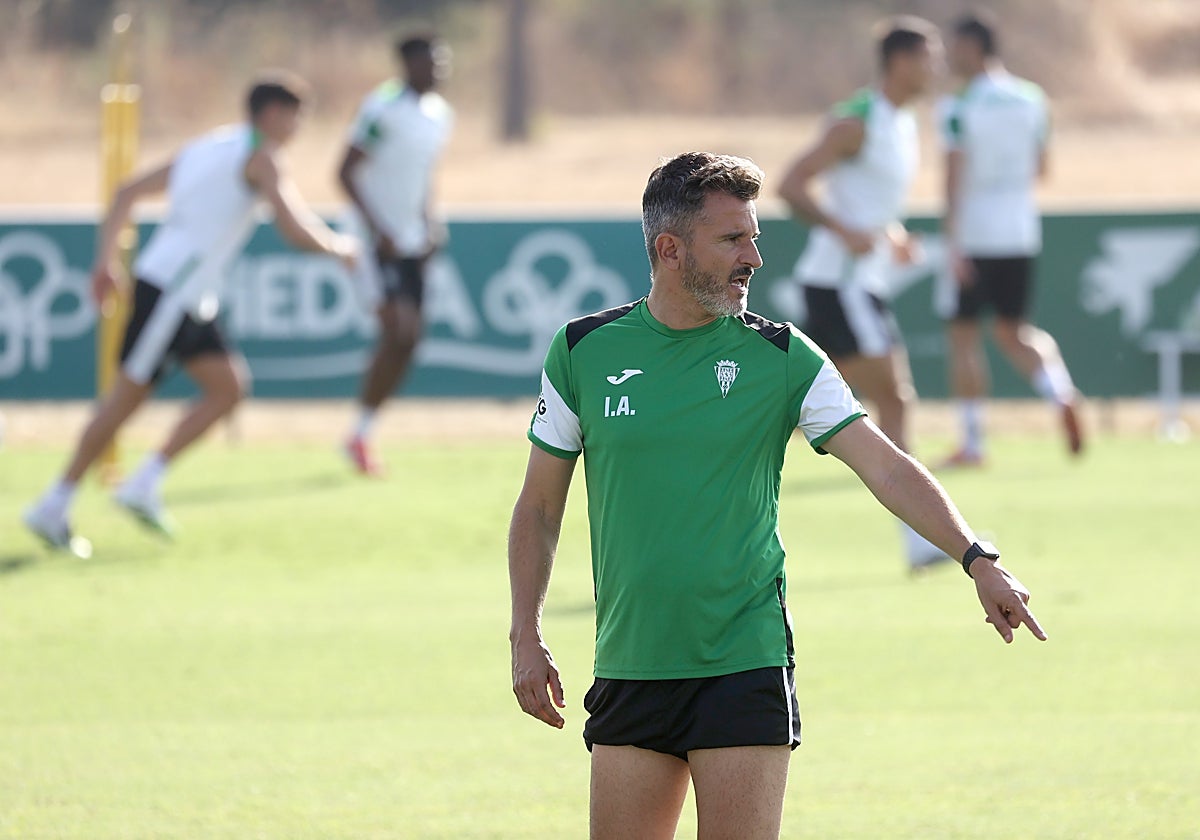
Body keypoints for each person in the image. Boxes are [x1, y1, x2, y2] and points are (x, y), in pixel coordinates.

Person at [508, 151, 1046, 840]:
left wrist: (976, 557)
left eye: (754, 236)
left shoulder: (784, 356)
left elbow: (885, 466)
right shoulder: (584, 351)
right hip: (629, 664)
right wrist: (527, 633)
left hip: (743, 662)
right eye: (733, 239)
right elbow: (540, 508)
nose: (755, 257)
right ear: (670, 249)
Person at [23, 73, 357, 557]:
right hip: (174, 291)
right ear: (270, 114)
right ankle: (53, 503)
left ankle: (143, 483)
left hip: (188, 294)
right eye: (294, 115)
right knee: (125, 401)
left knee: (228, 388)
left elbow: (126, 192)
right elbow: (294, 226)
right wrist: (342, 250)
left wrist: (105, 260)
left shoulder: (211, 145)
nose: (299, 126)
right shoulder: (262, 157)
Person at [778, 16, 946, 571]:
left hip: (858, 285)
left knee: (833, 410)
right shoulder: (859, 119)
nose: (935, 66)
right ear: (900, 62)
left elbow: (867, 204)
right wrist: (841, 231)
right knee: (890, 401)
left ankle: (920, 542)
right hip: (838, 286)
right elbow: (790, 184)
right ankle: (921, 543)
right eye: (928, 56)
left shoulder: (902, 122)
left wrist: (890, 238)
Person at [938, 11, 1083, 467]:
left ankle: (973, 442)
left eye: (956, 47)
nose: (949, 56)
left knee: (964, 336)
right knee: (1013, 330)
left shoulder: (958, 105)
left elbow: (953, 178)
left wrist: (954, 243)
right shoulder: (1031, 98)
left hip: (975, 233)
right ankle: (1059, 391)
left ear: (975, 48)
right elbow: (1043, 169)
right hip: (1020, 230)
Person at [339, 34, 454, 476]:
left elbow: (425, 175)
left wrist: (430, 223)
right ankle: (360, 432)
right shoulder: (380, 108)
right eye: (430, 63)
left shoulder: (440, 115)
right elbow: (344, 171)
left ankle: (360, 432)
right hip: (373, 242)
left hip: (410, 241)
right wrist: (377, 229)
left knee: (408, 339)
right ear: (407, 64)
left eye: (442, 63)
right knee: (398, 328)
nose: (438, 71)